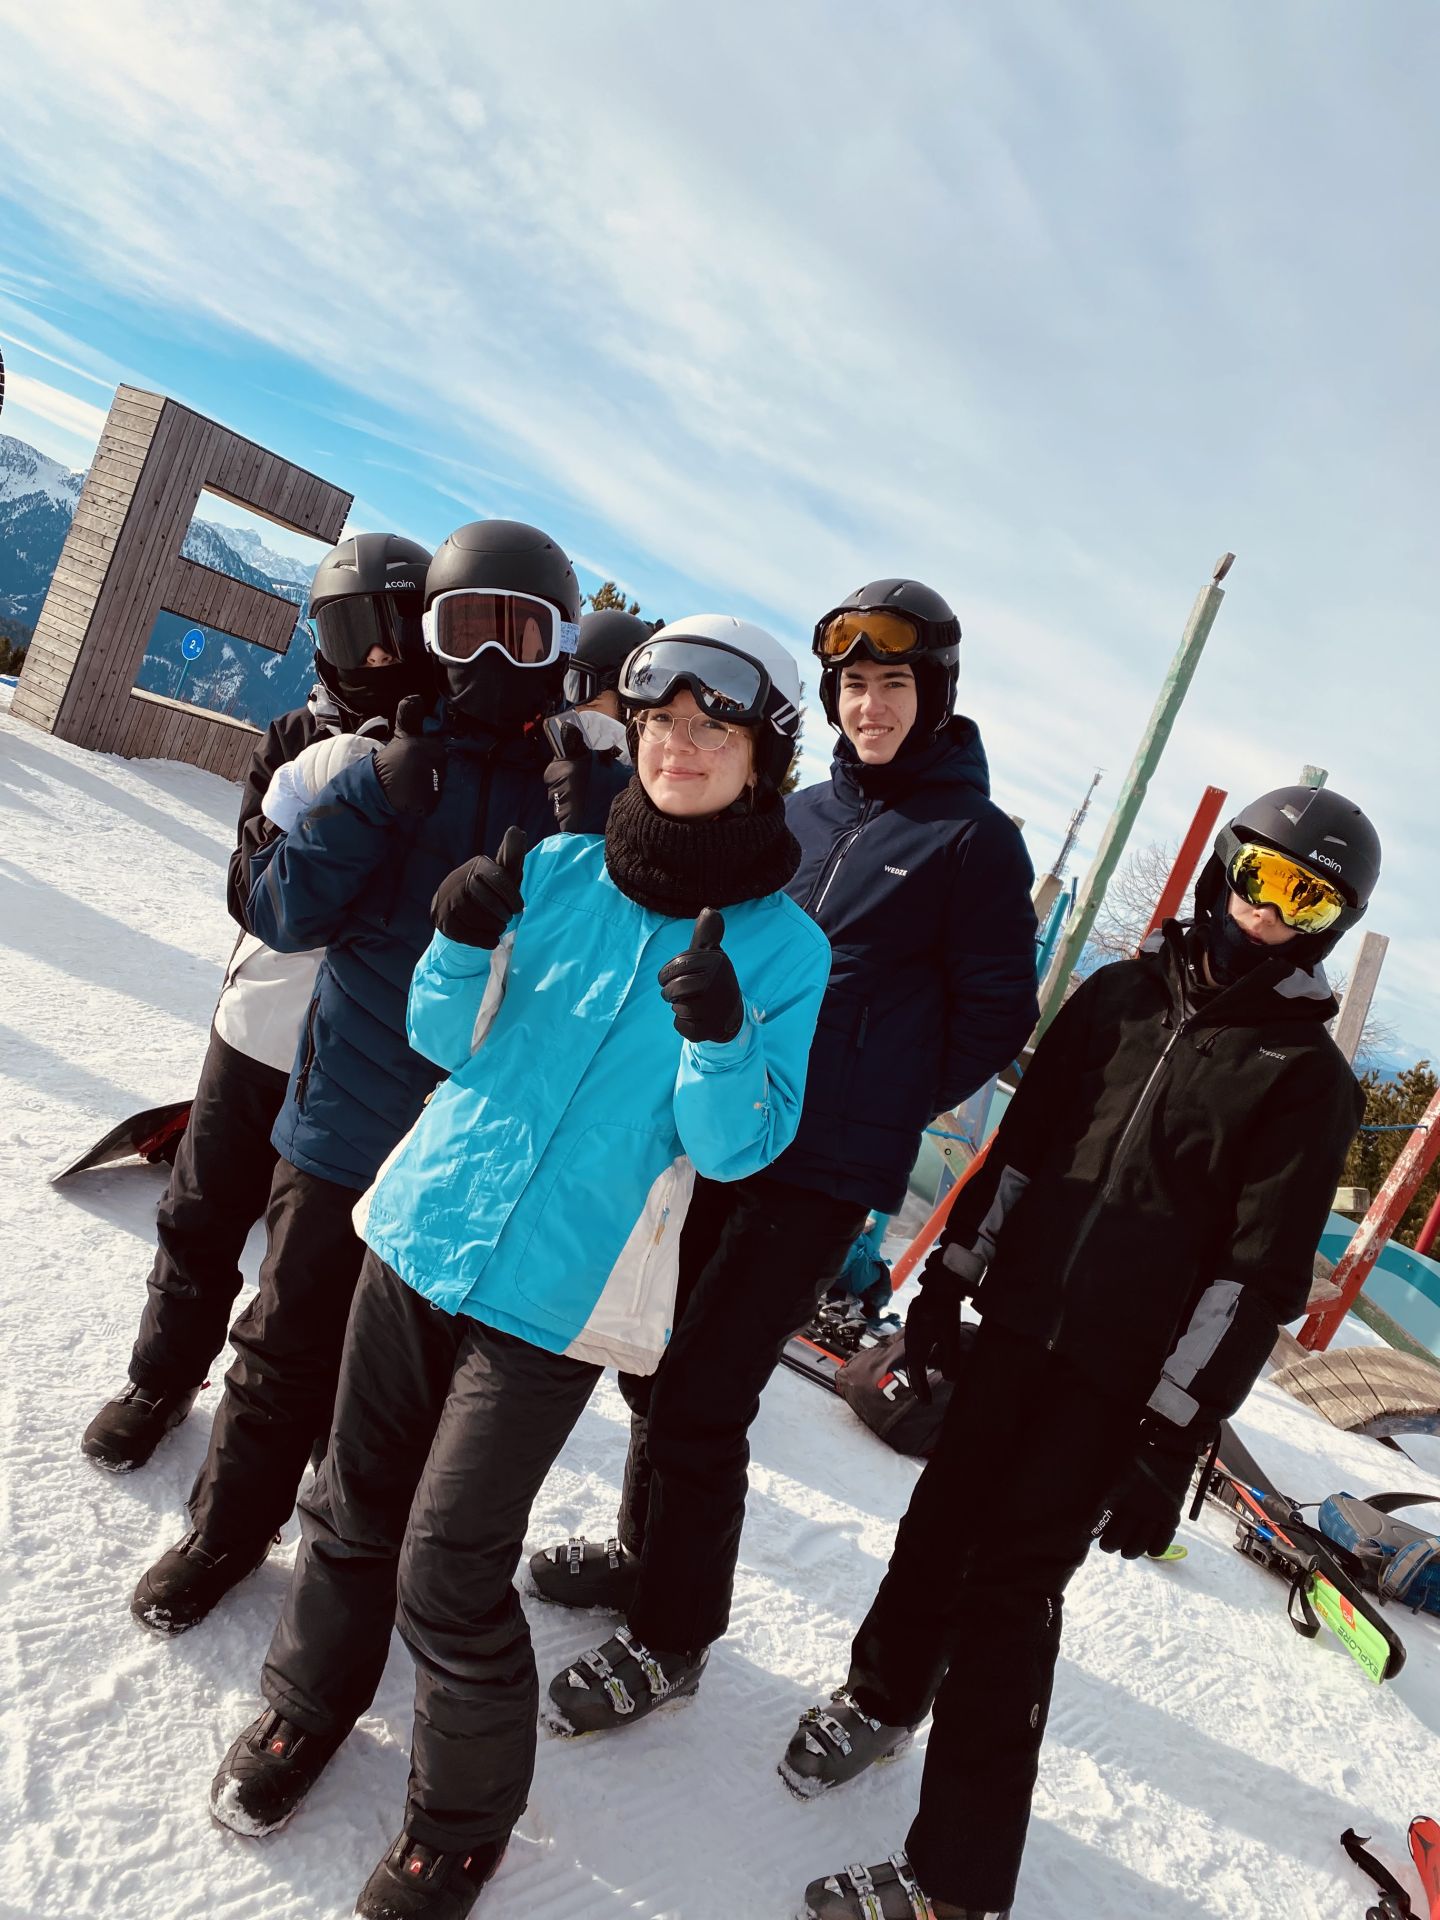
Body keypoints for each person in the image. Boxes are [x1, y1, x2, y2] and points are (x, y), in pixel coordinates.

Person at [207, 617, 828, 1920]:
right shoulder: (556, 865)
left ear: (764, 759)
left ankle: (460, 1819)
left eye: (713, 730)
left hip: (560, 1291)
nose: (678, 747)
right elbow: (447, 1039)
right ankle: (306, 1706)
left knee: (448, 1564)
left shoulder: (784, 949)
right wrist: (457, 939)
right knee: (350, 1505)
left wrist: (720, 1038)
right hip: (423, 1225)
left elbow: (736, 1147)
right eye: (660, 723)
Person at [789, 783, 1381, 1920]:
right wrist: (950, 1279)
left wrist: (1170, 1435)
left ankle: (956, 1882)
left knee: (1010, 1596)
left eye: (1304, 899)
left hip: (1116, 1383)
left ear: (1330, 925)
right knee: (938, 1524)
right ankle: (881, 1696)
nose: (1268, 911)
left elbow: (1254, 1278)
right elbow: (1025, 1151)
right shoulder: (1118, 997)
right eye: (1260, 876)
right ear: (1226, 867)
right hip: (1016, 1327)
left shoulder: (1307, 1079)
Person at [533, 579, 1039, 1740]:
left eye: (893, 684)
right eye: (852, 685)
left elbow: (996, 1017)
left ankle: (673, 1636)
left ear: (937, 694)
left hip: (819, 1169)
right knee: (654, 1365)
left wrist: (871, 1098)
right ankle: (642, 1554)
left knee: (705, 1396)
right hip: (720, 1127)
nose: (870, 707)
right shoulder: (802, 811)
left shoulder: (973, 841)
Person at [129, 519, 618, 1633]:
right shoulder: (380, 760)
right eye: (466, 628)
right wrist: (371, 799)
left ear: (556, 645)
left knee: (399, 1392)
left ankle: (346, 1577)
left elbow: (622, 958)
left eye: (519, 634)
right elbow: (278, 910)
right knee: (282, 1343)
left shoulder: (581, 786)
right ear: (430, 633)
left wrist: (599, 823)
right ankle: (222, 1532)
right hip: (346, 1109)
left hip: (469, 1146)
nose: (488, 659)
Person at [80, 532, 432, 1472]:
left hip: (366, 1058)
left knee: (313, 1259)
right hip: (259, 1031)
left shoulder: (447, 763)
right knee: (202, 1214)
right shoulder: (294, 741)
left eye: (391, 629)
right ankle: (160, 1377)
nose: (374, 656)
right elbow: (252, 891)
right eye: (348, 633)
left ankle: (293, 1418)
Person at [542, 605, 655, 831]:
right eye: (567, 703)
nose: (575, 718)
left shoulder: (663, 802)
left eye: (591, 705)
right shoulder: (542, 772)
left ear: (633, 713)